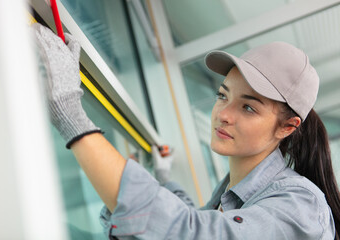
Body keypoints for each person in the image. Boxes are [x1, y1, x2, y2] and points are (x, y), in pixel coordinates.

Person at [33, 23, 339, 239]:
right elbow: (196, 217)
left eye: (248, 107)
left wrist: (69, 111)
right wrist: (162, 179)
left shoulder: (301, 205)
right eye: (222, 96)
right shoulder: (232, 193)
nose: (223, 115)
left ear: (287, 127)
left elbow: (191, 232)